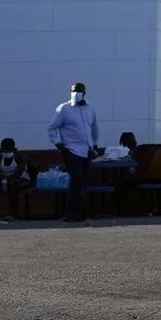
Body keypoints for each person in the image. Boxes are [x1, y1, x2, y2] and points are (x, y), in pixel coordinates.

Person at [47, 83, 102, 223]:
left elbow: (94, 129)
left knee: (83, 182)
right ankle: (72, 214)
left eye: (79, 91)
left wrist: (94, 146)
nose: (76, 93)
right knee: (76, 180)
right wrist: (58, 144)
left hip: (87, 150)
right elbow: (52, 128)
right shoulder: (64, 109)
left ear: (85, 93)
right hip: (71, 150)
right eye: (73, 91)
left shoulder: (90, 109)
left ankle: (82, 212)